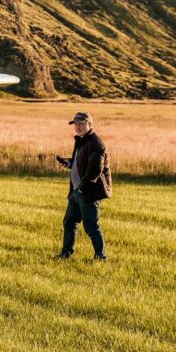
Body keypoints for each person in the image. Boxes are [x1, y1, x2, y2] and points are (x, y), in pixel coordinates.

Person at [55, 112, 112, 261]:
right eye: (76, 124)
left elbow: (95, 170)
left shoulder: (96, 143)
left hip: (87, 192)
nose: (78, 127)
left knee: (91, 227)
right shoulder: (81, 141)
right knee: (69, 223)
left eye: (81, 123)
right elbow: (80, 162)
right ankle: (66, 253)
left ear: (90, 125)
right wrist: (69, 163)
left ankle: (101, 257)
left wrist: (81, 188)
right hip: (76, 191)